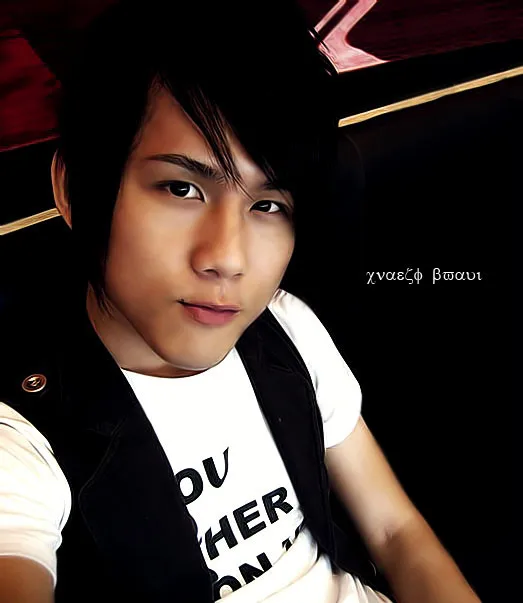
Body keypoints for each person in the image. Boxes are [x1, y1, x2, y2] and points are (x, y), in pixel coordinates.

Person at [0, 1, 481, 602]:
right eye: (182, 188)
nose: (227, 257)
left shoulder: (285, 328)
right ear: (74, 188)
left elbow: (395, 530)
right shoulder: (23, 436)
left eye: (268, 205)